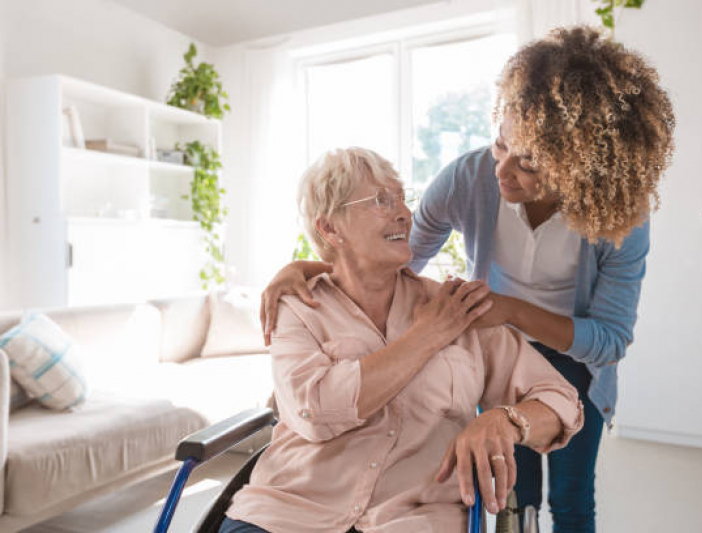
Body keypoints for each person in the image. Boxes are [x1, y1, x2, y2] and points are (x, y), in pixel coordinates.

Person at [260, 27, 675, 532]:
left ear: (580, 173)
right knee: (510, 495)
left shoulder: (619, 219)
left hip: (572, 357)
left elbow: (609, 340)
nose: (503, 172)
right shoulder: (469, 177)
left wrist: (510, 310)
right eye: (501, 144)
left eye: (529, 165)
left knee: (570, 499)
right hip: (489, 344)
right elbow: (397, 261)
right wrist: (315, 266)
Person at [223, 147, 583, 533]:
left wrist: (506, 420)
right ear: (329, 228)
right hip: (289, 513)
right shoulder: (297, 306)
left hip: (412, 520)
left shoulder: (457, 307)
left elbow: (562, 402)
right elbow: (316, 412)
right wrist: (427, 336)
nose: (404, 213)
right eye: (381, 200)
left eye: (401, 198)